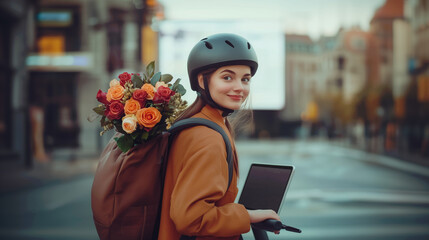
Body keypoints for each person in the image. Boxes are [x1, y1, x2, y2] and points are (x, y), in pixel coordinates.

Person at [158, 33, 281, 239]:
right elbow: (190, 218)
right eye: (227, 77)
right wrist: (249, 216)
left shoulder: (197, 124)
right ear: (202, 81)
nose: (239, 87)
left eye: (245, 79)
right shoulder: (207, 138)